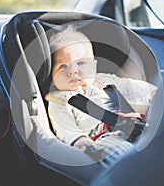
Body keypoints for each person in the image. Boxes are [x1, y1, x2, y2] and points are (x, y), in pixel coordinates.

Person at [45, 26, 157, 154]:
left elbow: (130, 88)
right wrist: (79, 140)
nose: (73, 71)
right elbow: (64, 126)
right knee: (117, 152)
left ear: (93, 66)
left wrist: (152, 94)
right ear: (52, 76)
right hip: (104, 138)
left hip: (136, 125)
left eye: (81, 63)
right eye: (62, 66)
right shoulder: (58, 100)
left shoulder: (104, 80)